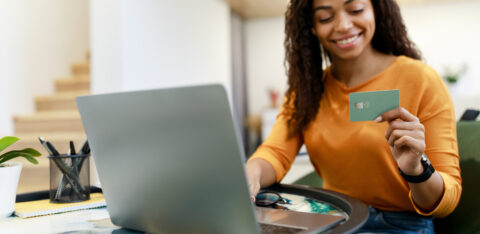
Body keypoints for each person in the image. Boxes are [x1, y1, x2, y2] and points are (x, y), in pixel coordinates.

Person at [245, 0, 462, 233]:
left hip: (399, 224)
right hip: (335, 217)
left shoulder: (421, 80)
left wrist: (416, 170)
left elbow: (447, 201)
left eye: (356, 9)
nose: (344, 25)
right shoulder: (307, 90)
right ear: (312, 27)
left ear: (376, 10)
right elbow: (275, 152)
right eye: (326, 18)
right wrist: (251, 173)